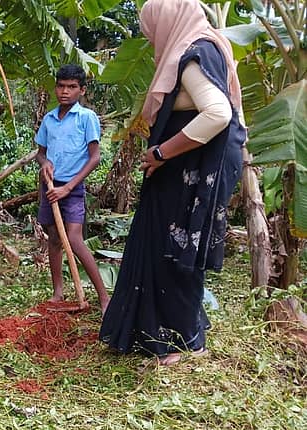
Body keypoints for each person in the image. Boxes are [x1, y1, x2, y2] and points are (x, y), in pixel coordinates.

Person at [99, 0, 246, 366]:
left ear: (167, 21)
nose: (152, 40)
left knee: (177, 247)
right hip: (187, 168)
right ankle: (163, 331)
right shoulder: (204, 47)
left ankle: (186, 342)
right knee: (166, 244)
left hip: (191, 170)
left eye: (152, 31)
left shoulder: (194, 54)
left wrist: (163, 152)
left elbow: (217, 113)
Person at [34, 64, 110, 314]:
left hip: (72, 188)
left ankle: (103, 297)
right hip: (50, 186)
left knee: (75, 239)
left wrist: (68, 187)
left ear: (82, 90)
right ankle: (58, 292)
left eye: (71, 87)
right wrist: (45, 164)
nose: (65, 91)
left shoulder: (86, 118)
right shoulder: (49, 119)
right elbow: (40, 153)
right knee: (54, 238)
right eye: (61, 86)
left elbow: (95, 157)